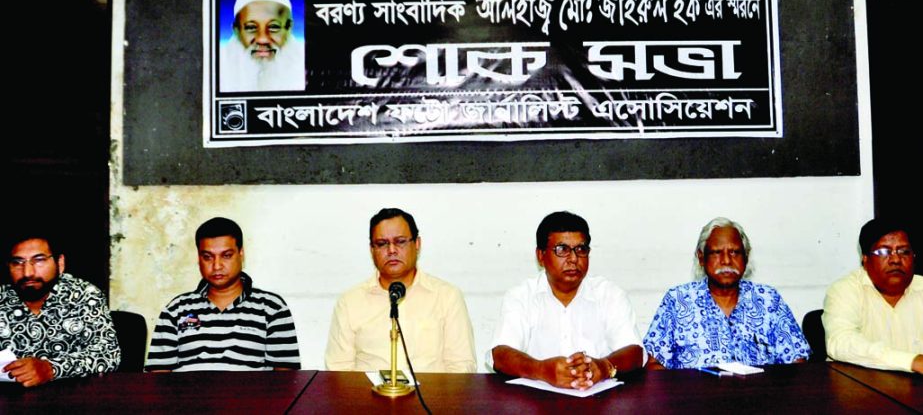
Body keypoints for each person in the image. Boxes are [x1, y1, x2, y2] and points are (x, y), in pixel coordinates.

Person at [489, 211, 645, 390]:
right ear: (540, 256)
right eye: (562, 249)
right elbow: (500, 354)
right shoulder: (521, 296)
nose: (573, 259)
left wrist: (603, 367)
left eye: (581, 249)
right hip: (536, 403)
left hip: (600, 402)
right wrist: (541, 370)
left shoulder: (609, 294)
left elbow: (635, 352)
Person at [644, 217, 811, 369]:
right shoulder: (678, 300)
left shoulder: (768, 299)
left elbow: (797, 361)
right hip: (694, 400)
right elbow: (654, 365)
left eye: (734, 252)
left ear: (746, 257)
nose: (726, 260)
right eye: (717, 252)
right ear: (701, 258)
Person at [325, 208, 476, 373]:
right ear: (372, 249)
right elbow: (338, 371)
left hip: (432, 397)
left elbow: (462, 368)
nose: (391, 250)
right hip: (367, 396)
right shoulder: (350, 302)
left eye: (400, 241)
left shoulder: (447, 297)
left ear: (417, 244)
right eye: (382, 244)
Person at [145, 217, 300, 371]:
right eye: (207, 257)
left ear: (241, 254)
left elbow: (286, 379)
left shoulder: (272, 308)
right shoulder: (176, 310)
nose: (217, 266)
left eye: (226, 255)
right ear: (199, 259)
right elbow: (158, 376)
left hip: (250, 396)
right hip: (189, 396)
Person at [0, 231, 120, 387]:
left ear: (60, 263)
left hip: (75, 401)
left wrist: (52, 369)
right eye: (18, 262)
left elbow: (109, 355)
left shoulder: (83, 296)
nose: (27, 272)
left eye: (39, 260)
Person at [823, 218, 922, 373]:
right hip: (859, 388)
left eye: (904, 251)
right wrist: (912, 361)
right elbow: (840, 342)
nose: (896, 259)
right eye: (883, 251)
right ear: (865, 259)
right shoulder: (845, 290)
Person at [219, 0, 304, 92]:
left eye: (274, 27)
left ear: (289, 28)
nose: (262, 39)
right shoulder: (217, 71)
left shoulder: (306, 69)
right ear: (236, 30)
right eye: (251, 27)